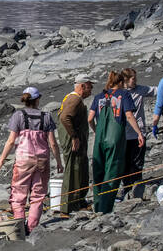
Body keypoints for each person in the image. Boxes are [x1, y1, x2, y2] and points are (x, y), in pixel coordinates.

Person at [0, 86, 63, 235]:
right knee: (38, 196)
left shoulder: (18, 116)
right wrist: (58, 162)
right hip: (42, 160)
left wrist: (0, 161)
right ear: (37, 99)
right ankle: (31, 228)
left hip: (23, 160)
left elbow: (11, 141)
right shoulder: (46, 116)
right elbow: (52, 143)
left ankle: (19, 228)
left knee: (18, 195)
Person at [88, 72, 144, 214]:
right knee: (113, 171)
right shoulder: (123, 94)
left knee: (98, 171)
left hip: (100, 138)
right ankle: (106, 208)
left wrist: (96, 131)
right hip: (116, 137)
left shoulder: (99, 96)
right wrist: (138, 132)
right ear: (120, 82)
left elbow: (90, 119)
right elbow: (129, 115)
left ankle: (97, 205)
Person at [57, 75, 93, 213]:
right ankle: (66, 207)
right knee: (72, 170)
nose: (91, 89)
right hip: (73, 140)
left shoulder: (72, 98)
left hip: (76, 139)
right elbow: (65, 117)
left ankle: (78, 201)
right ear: (82, 86)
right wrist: (74, 137)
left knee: (79, 169)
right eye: (89, 86)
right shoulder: (74, 99)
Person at [119, 68, 153, 200]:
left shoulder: (140, 90)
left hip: (138, 133)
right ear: (126, 80)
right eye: (133, 79)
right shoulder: (119, 93)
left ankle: (137, 187)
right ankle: (127, 187)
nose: (136, 81)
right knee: (126, 163)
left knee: (138, 162)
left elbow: (155, 90)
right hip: (124, 134)